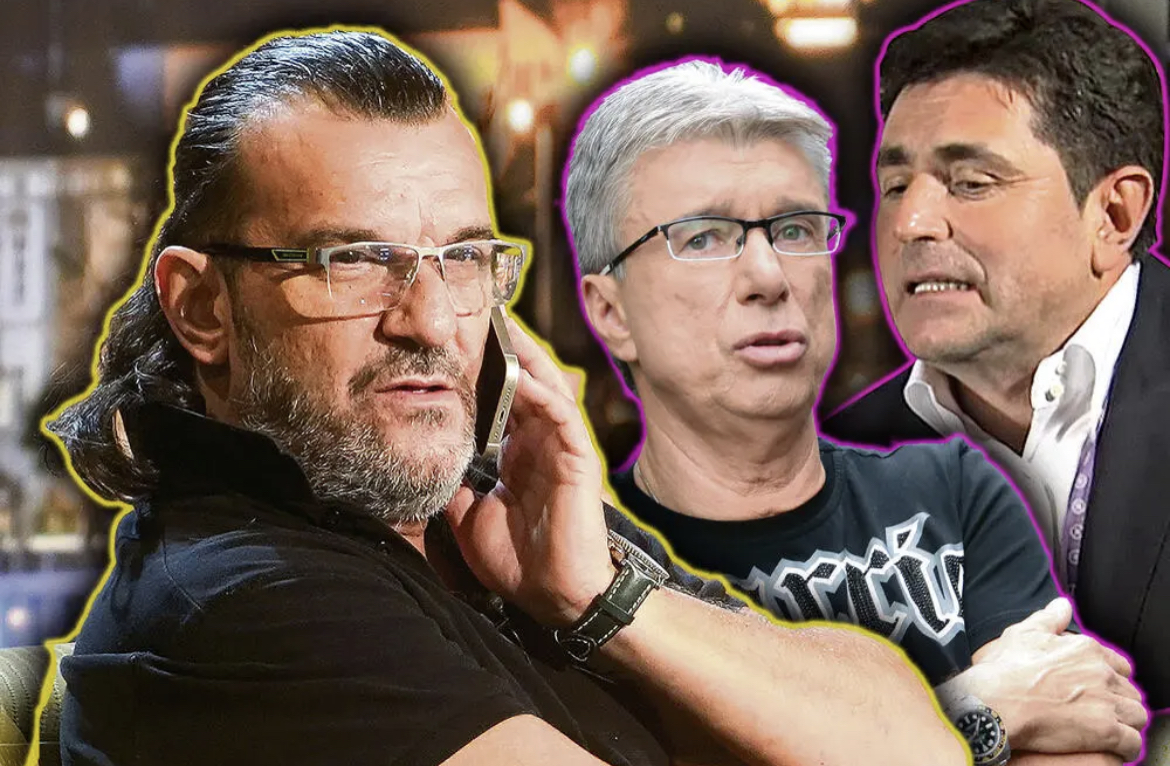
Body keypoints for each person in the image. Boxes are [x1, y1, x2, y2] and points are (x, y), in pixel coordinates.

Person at [42, 28, 966, 766]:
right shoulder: (241, 600)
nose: (431, 321)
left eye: (463, 259)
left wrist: (601, 595)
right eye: (355, 260)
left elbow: (910, 747)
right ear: (203, 308)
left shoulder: (501, 523)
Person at [564, 57, 1148, 765]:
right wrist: (977, 708)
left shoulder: (955, 491)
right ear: (610, 311)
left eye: (795, 229)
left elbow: (1076, 729)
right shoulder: (581, 566)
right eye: (704, 238)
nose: (768, 277)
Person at [819, 0, 1170, 712]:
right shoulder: (837, 461)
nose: (910, 222)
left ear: (1114, 215)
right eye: (895, 187)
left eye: (971, 183)